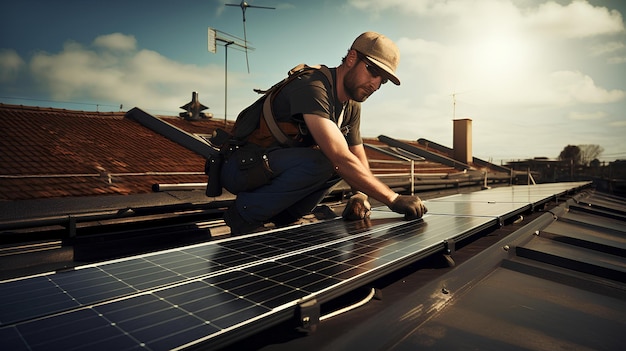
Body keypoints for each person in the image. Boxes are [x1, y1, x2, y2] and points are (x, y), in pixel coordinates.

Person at [220, 31, 427, 234]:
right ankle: (244, 215)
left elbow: (356, 155)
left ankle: (282, 217)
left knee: (340, 165)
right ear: (352, 58)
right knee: (330, 161)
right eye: (372, 71)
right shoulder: (312, 85)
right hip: (241, 168)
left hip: (273, 170)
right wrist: (393, 199)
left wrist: (360, 196)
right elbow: (339, 157)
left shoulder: (351, 105)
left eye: (382, 81)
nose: (375, 85)